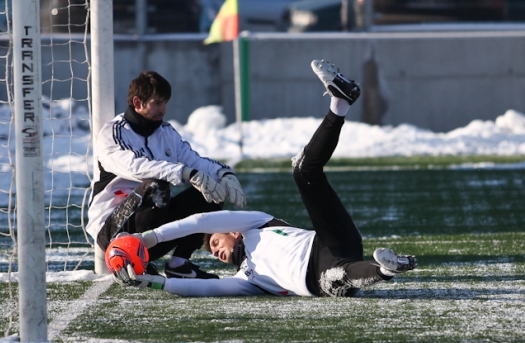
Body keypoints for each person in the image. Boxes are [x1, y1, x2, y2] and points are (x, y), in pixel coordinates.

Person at [108, 60, 417, 297]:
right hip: (321, 277)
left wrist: (150, 239)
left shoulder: (258, 223)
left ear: (233, 231)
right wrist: (153, 282)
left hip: (330, 240)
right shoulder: (247, 279)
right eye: (213, 253)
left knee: (303, 170)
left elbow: (200, 221)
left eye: (215, 242)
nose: (215, 251)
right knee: (338, 277)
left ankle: (340, 104)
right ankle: (386, 270)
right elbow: (205, 290)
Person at [87, 70, 246, 279]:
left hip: (155, 230)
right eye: (157, 103)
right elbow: (137, 166)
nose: (163, 109)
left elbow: (193, 160)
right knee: (155, 185)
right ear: (137, 102)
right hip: (114, 229)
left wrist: (224, 174)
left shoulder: (166, 132)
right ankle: (135, 259)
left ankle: (179, 264)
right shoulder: (113, 133)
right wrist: (185, 173)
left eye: (165, 103)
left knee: (212, 188)